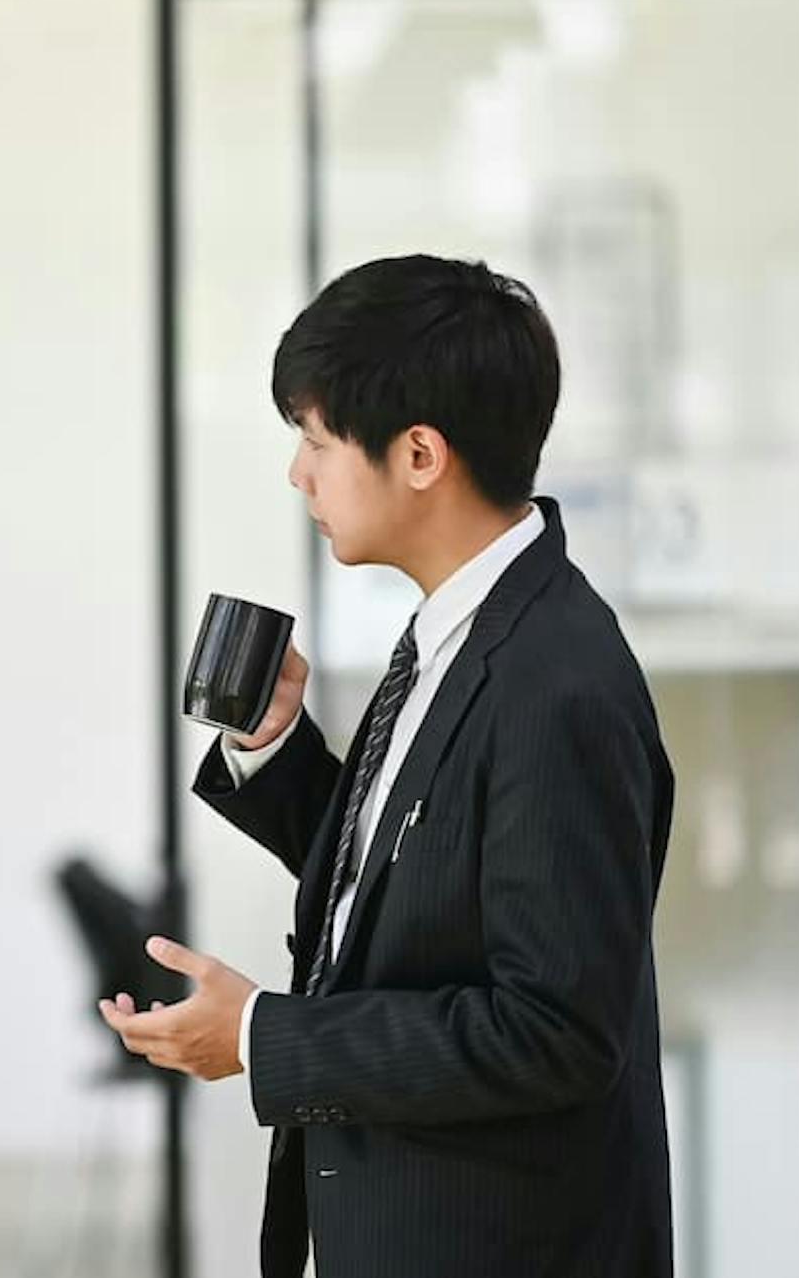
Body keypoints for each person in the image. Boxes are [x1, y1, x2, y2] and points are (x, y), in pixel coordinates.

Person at [99, 256, 675, 1276]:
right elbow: (418, 877)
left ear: (417, 454)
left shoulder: (556, 683)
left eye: (315, 441)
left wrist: (260, 1038)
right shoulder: (454, 629)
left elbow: (552, 1032)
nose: (298, 474)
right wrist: (274, 748)